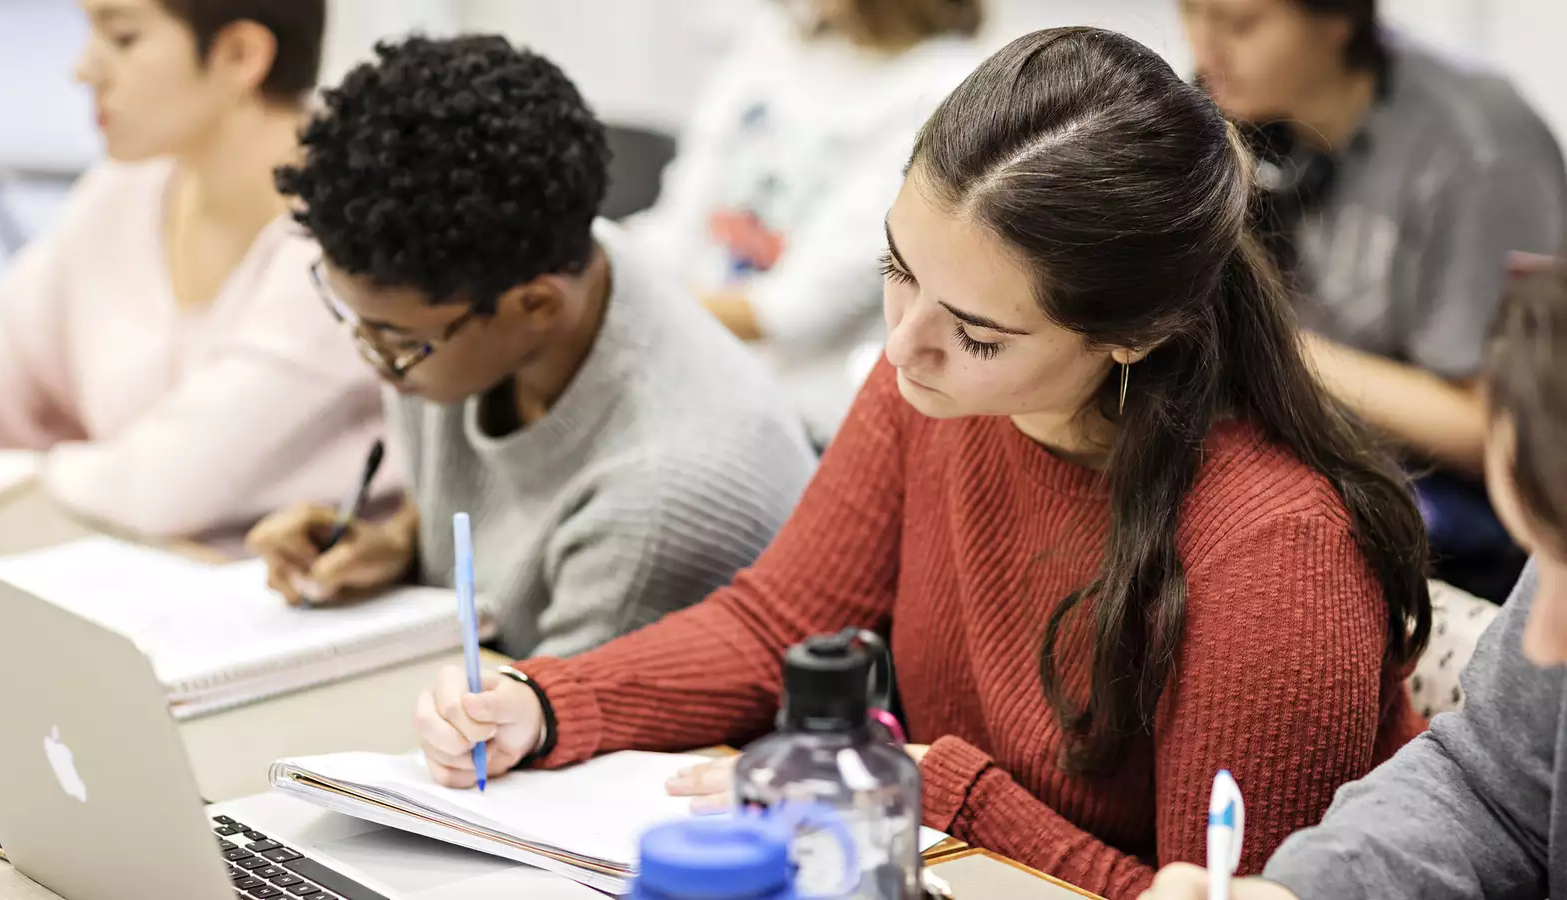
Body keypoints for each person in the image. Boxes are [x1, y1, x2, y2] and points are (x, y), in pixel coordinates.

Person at [409, 27, 1435, 899]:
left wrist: (931, 786)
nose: (902, 349)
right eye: (895, 272)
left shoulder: (1278, 554)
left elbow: (1210, 893)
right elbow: (781, 622)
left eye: (980, 333)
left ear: (1136, 332)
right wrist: (547, 705)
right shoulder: (934, 387)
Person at [245, 35, 814, 658]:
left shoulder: (665, 498)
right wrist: (399, 544)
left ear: (536, 306)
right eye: (351, 318)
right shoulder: (505, 274)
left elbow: (552, 727)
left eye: (397, 343)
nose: (374, 361)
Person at [1142, 255, 1567, 900]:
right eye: (1544, 561)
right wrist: (1298, 892)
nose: (1540, 646)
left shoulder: (1283, 551)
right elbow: (1493, 793)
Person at [1180, 0, 1567, 598]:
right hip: (1324, 452)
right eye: (1188, 12)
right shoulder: (1240, 104)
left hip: (1465, 537)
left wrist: (1273, 346)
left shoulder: (1483, 156)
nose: (1204, 50)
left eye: (1240, 23)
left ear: (1338, 19)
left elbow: (1494, 429)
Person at [0, 0, 389, 539]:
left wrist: (13, 476)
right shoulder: (125, 191)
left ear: (240, 55)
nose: (83, 70)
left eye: (121, 38)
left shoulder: (347, 242)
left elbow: (160, 490)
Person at [626, 0, 985, 446]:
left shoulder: (944, 88)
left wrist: (624, 295)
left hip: (796, 420)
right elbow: (673, 228)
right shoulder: (770, 42)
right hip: (684, 365)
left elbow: (793, 312)